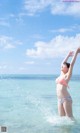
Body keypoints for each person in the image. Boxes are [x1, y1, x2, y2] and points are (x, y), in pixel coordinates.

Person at [56, 47, 80, 120]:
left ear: (67, 68)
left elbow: (72, 64)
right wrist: (68, 55)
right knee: (62, 119)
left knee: (70, 119)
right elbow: (62, 63)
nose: (62, 66)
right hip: (59, 99)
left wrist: (76, 53)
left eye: (63, 66)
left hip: (66, 99)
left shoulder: (67, 75)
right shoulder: (61, 74)